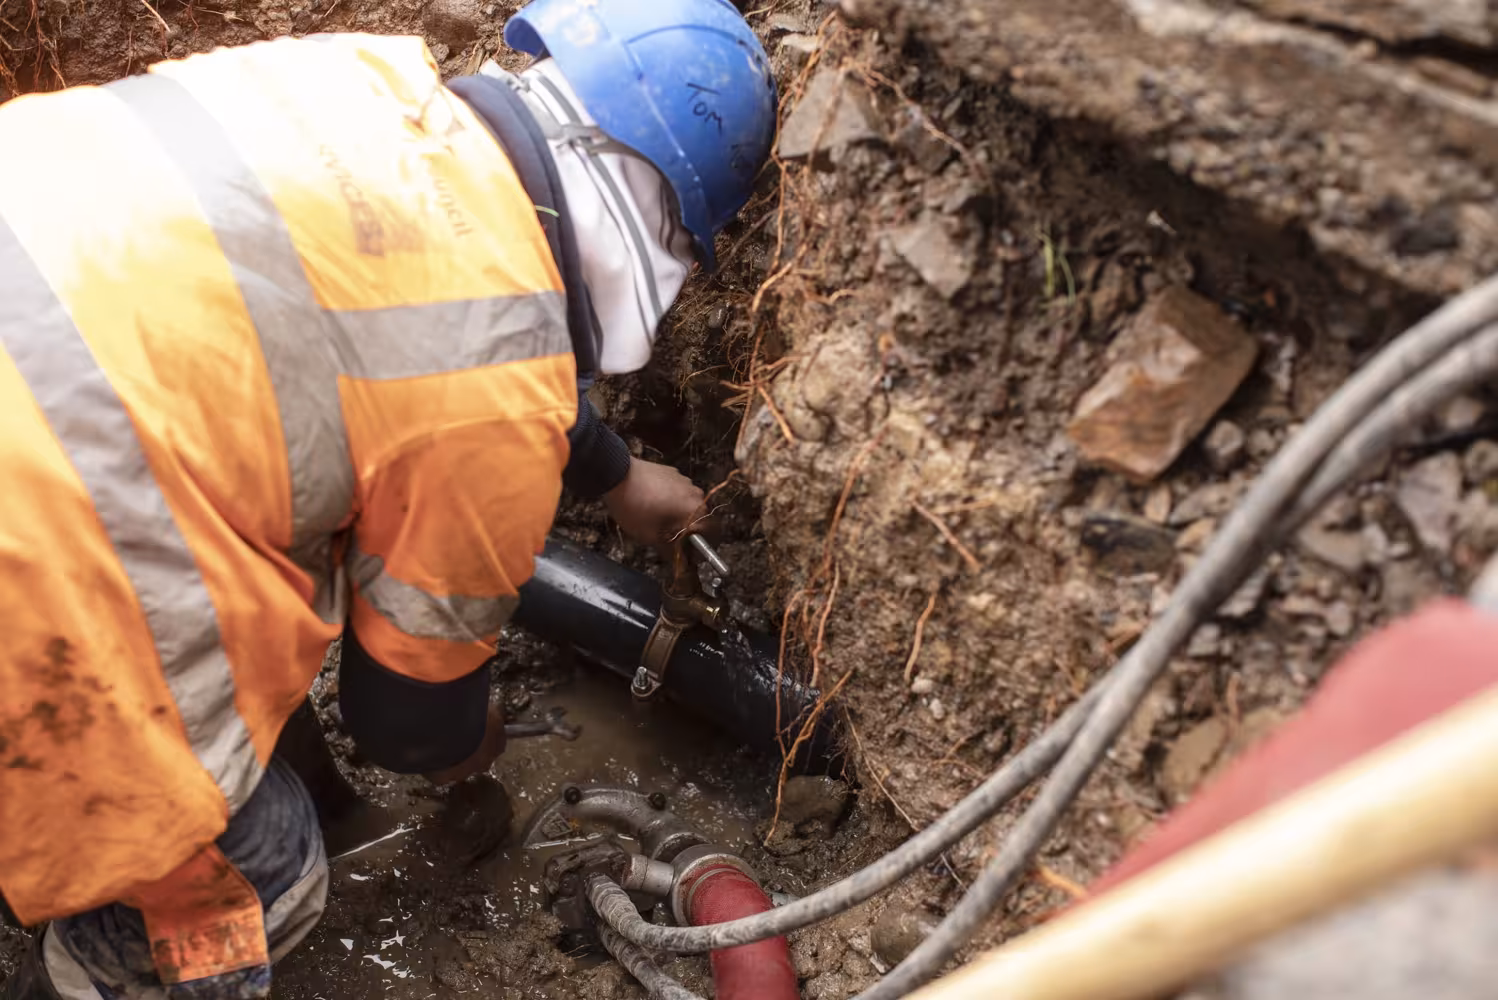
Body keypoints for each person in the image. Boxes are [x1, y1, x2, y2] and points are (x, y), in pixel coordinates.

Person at [0, 0, 777, 995]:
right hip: (36, 568)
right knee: (257, 875)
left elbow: (411, 330)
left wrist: (611, 474)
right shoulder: (492, 398)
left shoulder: (356, 83)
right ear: (664, 237)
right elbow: (401, 719)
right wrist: (466, 743)